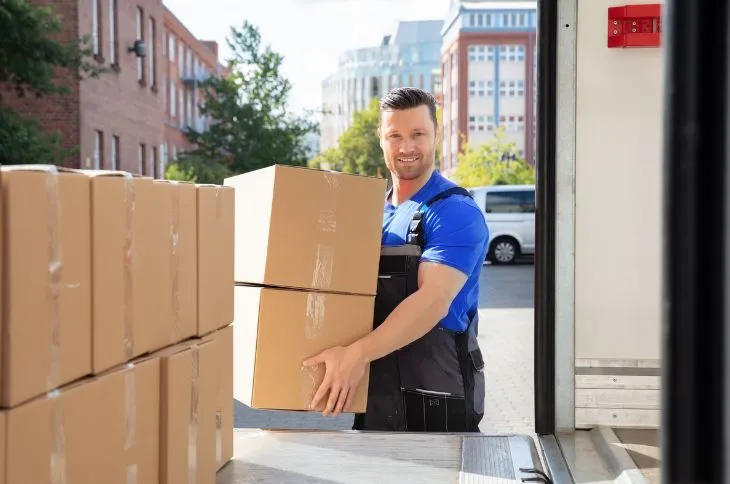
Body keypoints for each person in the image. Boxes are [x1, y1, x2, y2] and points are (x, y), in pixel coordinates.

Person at [302, 87, 489, 432]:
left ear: (436, 134)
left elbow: (432, 302)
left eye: (418, 134)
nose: (406, 148)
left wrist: (355, 355)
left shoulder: (453, 212)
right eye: (395, 136)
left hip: (436, 404)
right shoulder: (374, 213)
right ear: (381, 139)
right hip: (376, 397)